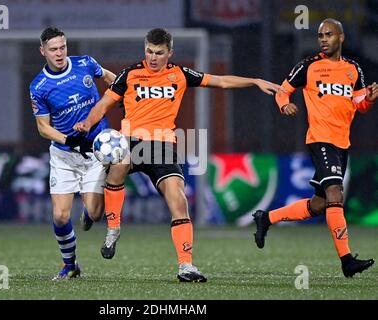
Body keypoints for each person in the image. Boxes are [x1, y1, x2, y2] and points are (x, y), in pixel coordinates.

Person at [74, 28, 280, 282]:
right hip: (130, 142)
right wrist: (86, 122)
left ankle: (186, 266)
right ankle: (113, 229)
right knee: (115, 170)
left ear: (169, 53)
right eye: (149, 51)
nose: (153, 57)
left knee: (179, 202)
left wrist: (255, 81)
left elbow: (221, 81)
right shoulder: (129, 75)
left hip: (162, 146)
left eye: (159, 53)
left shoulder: (180, 74)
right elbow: (103, 104)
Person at [253, 18, 376, 277]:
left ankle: (266, 218)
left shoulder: (353, 69)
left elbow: (359, 103)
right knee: (335, 194)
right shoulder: (308, 66)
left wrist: (369, 99)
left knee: (320, 204)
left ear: (340, 38)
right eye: (320, 35)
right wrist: (284, 104)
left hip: (342, 143)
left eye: (328, 34)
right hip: (321, 139)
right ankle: (346, 261)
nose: (323, 39)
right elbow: (282, 91)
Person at [29, 27, 116, 280]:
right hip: (65, 154)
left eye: (63, 47)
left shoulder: (86, 64)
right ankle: (71, 265)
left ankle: (90, 211)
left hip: (95, 150)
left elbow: (111, 79)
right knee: (60, 215)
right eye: (53, 49)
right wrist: (69, 139)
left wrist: (125, 94)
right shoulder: (39, 86)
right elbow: (43, 128)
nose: (59, 53)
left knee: (96, 214)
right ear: (43, 51)